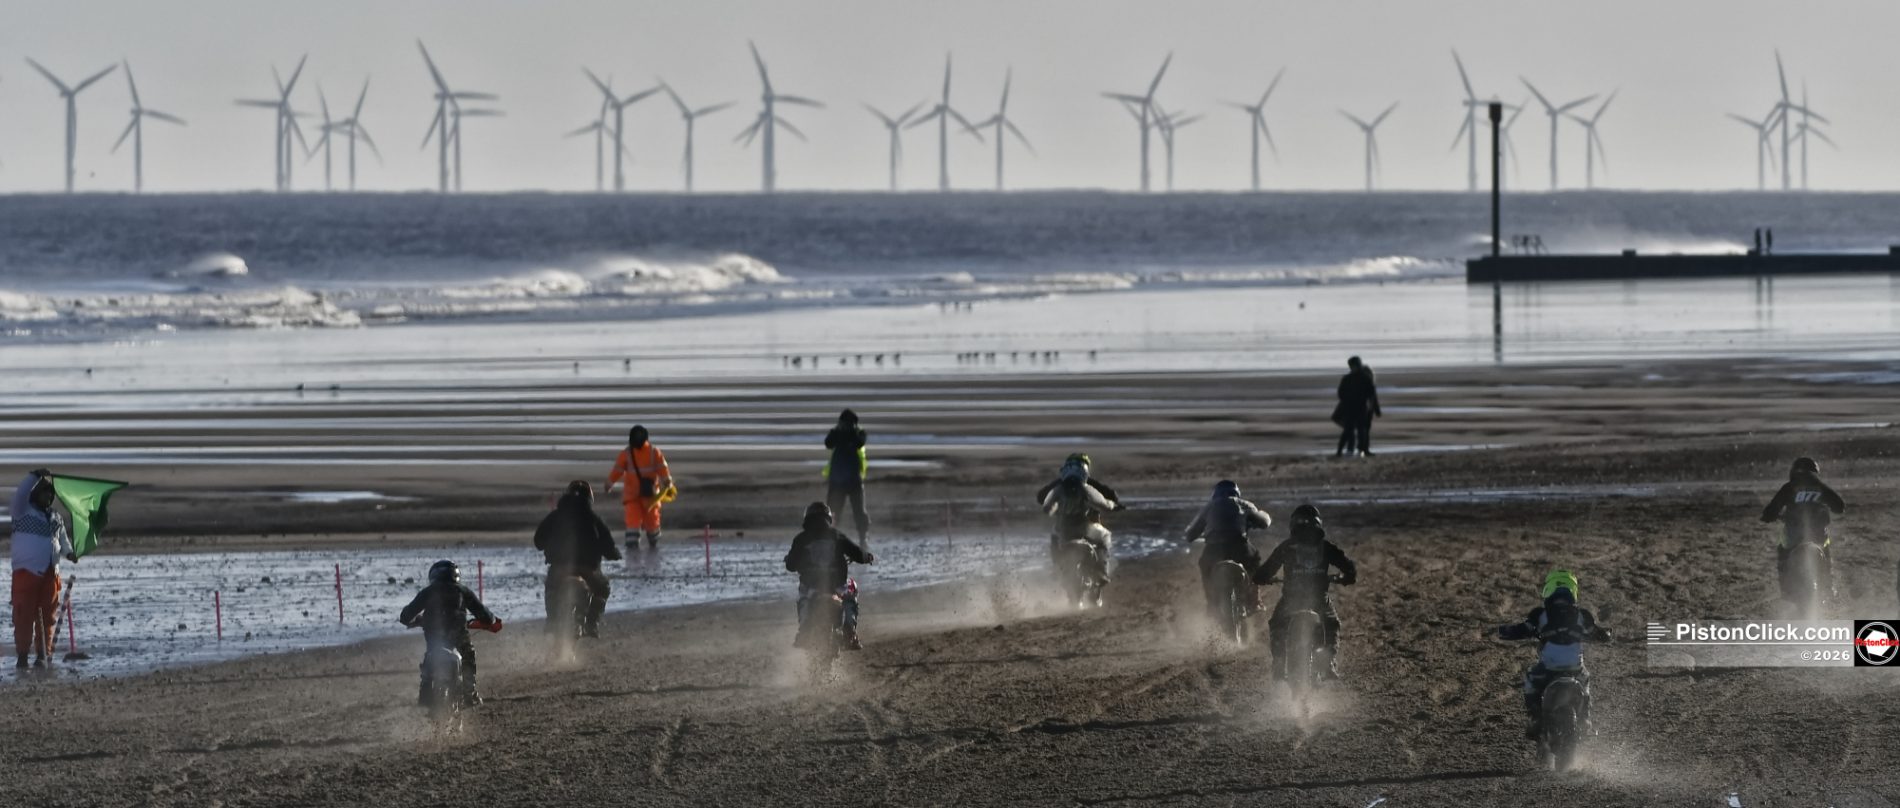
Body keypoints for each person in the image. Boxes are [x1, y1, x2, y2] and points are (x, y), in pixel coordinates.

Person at [1495, 570, 1611, 740]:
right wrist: (1606, 635)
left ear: (1548, 590)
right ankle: (1585, 720)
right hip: (1575, 668)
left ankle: (1535, 718)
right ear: (1574, 591)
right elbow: (1599, 634)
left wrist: (1504, 631)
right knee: (1586, 681)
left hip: (1548, 669)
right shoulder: (1582, 615)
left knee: (1530, 679)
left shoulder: (1539, 615)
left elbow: (1521, 630)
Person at [1252, 504, 1356, 681]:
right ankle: (1328, 662)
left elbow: (1263, 573)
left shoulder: (1286, 547)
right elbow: (1350, 570)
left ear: (1293, 525)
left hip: (1291, 600)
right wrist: (1343, 578)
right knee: (1332, 625)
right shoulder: (1327, 547)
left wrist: (1263, 579)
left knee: (1277, 624)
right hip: (1319, 600)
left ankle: (1278, 663)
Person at [398, 560, 501, 708]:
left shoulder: (428, 592)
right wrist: (488, 620)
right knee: (468, 655)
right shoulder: (462, 590)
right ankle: (469, 692)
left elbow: (405, 616)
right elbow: (486, 616)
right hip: (458, 636)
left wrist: (416, 620)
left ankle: (425, 690)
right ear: (455, 575)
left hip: (435, 638)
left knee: (430, 655)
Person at [533, 481, 622, 638]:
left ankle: (552, 621)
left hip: (560, 567)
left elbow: (538, 540)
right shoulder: (593, 518)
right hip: (587, 569)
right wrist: (613, 553)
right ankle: (591, 624)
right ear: (589, 498)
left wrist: (547, 545)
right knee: (603, 588)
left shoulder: (555, 515)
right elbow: (608, 545)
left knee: (551, 587)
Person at [783, 503, 874, 650]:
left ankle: (804, 630)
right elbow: (856, 553)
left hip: (811, 584)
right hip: (837, 585)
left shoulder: (800, 539)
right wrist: (866, 557)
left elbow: (791, 565)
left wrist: (790, 561)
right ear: (828, 518)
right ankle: (850, 630)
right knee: (850, 593)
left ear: (807, 518)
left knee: (803, 597)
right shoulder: (837, 535)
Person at [1759, 457, 1846, 601]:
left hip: (1794, 537)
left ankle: (1786, 591)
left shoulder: (1789, 487)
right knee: (1825, 548)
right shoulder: (1820, 487)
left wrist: (1768, 516)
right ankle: (1828, 586)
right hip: (1818, 535)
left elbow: (1771, 510)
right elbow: (1839, 506)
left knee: (1782, 549)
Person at [1181, 480, 1272, 617]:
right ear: (1236, 493)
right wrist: (1256, 519)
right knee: (1254, 560)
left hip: (1213, 550)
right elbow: (1264, 523)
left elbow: (1190, 535)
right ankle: (1254, 600)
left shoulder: (1209, 507)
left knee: (1205, 567)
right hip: (1240, 547)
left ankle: (1211, 603)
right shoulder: (1244, 504)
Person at [10, 470, 72, 669]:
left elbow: (62, 539)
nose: (49, 497)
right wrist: (33, 477)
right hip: (26, 572)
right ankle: (22, 656)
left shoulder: (55, 517)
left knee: (48, 617)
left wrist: (69, 553)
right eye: (45, 493)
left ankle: (42, 655)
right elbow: (20, 494)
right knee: (23, 615)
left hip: (50, 573)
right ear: (35, 494)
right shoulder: (22, 511)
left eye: (51, 494)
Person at [1037, 454, 1123, 586]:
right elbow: (1107, 502)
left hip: (1063, 528)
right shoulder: (1088, 486)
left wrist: (1053, 508)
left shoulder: (1058, 487)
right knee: (1105, 536)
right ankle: (1101, 572)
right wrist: (1114, 505)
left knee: (1054, 537)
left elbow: (1043, 500)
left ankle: (1057, 569)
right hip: (1085, 527)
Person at [606, 425, 673, 552]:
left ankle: (633, 553)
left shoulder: (628, 454)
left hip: (637, 496)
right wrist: (667, 482)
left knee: (636, 525)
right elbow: (663, 470)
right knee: (649, 525)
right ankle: (652, 549)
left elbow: (617, 471)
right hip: (649, 496)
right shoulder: (654, 452)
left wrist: (609, 484)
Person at [823, 409, 871, 543]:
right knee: (833, 511)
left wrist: (850, 432)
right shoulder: (836, 433)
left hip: (852, 479)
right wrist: (839, 431)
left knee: (859, 512)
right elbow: (828, 443)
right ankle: (828, 537)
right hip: (839, 480)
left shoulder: (858, 433)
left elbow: (860, 442)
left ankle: (863, 538)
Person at [1332, 357, 1382, 458]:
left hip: (1355, 407)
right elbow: (1372, 394)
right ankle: (1360, 450)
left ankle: (1351, 451)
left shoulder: (1349, 378)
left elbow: (1341, 394)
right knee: (1358, 430)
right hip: (1359, 407)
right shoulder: (1364, 378)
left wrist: (1374, 408)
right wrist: (1374, 408)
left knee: (1355, 430)